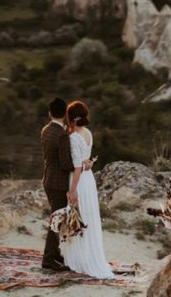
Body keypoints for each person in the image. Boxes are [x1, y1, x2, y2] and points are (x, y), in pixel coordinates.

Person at [60, 100, 113, 279]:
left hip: (79, 180)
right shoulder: (88, 133)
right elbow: (86, 160)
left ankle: (79, 260)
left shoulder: (73, 137)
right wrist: (88, 164)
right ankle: (89, 255)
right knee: (87, 216)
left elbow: (77, 166)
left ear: (71, 117)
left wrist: (72, 190)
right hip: (89, 179)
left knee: (77, 216)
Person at [40, 97, 73, 271]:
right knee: (57, 220)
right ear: (65, 114)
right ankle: (48, 259)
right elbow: (65, 164)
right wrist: (81, 165)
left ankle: (55, 252)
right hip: (59, 183)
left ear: (50, 113)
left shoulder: (45, 130)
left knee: (56, 218)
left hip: (48, 179)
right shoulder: (62, 135)